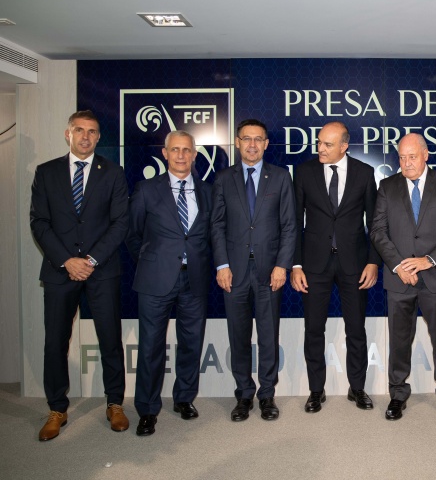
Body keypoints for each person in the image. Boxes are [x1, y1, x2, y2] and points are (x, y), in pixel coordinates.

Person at [30, 110, 129, 441]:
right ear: (68, 134)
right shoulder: (46, 172)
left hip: (102, 270)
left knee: (110, 339)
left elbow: (120, 223)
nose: (86, 136)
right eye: (79, 130)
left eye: (92, 131)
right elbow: (39, 222)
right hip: (60, 271)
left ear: (98, 137)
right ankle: (57, 409)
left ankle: (115, 403)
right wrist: (67, 261)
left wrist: (90, 259)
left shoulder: (113, 173)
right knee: (55, 342)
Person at [370, 133, 436, 420]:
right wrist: (398, 265)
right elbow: (378, 231)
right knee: (399, 341)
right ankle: (397, 394)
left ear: (426, 155)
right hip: (399, 278)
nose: (407, 163)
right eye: (402, 157)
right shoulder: (387, 186)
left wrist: (428, 260)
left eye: (412, 157)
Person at [127, 130, 212, 436]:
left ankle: (184, 398)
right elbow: (132, 234)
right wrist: (152, 262)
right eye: (175, 149)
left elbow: (211, 235)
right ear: (165, 153)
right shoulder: (146, 189)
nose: (180, 155)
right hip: (155, 280)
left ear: (194, 154)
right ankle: (148, 409)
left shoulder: (208, 191)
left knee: (191, 343)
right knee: (151, 346)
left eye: (186, 150)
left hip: (195, 279)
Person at [291, 122, 380, 412]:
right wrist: (296, 264)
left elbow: (375, 223)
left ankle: (358, 388)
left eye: (327, 144)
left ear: (344, 146)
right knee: (314, 329)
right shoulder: (304, 172)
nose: (320, 148)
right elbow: (294, 221)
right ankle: (316, 390)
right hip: (314, 264)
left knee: (356, 329)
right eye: (319, 142)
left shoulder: (364, 173)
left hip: (354, 264)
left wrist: (373, 261)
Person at [211, 119, 296, 422]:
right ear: (237, 142)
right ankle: (244, 394)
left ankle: (267, 395)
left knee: (268, 335)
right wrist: (222, 265)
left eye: (258, 139)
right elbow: (216, 225)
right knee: (239, 336)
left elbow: (289, 226)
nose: (252, 145)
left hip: (269, 272)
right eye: (246, 139)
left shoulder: (281, 177)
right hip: (233, 273)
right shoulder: (224, 179)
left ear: (266, 144)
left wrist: (282, 265)